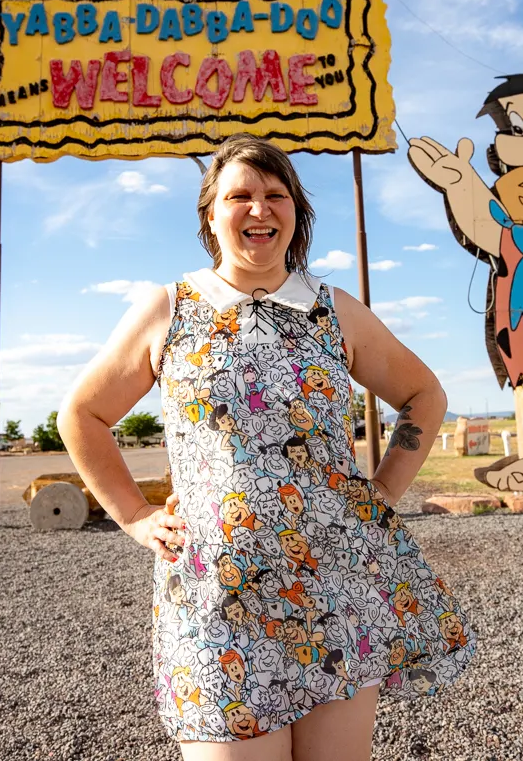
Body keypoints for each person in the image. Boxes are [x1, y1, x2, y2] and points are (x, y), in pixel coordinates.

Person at [59, 135, 475, 760]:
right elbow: (83, 414)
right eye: (240, 196)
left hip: (337, 589)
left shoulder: (334, 311)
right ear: (210, 213)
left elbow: (424, 395)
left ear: (295, 213)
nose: (260, 209)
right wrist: (135, 515)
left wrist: (383, 492)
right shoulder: (170, 308)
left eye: (275, 195)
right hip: (215, 594)